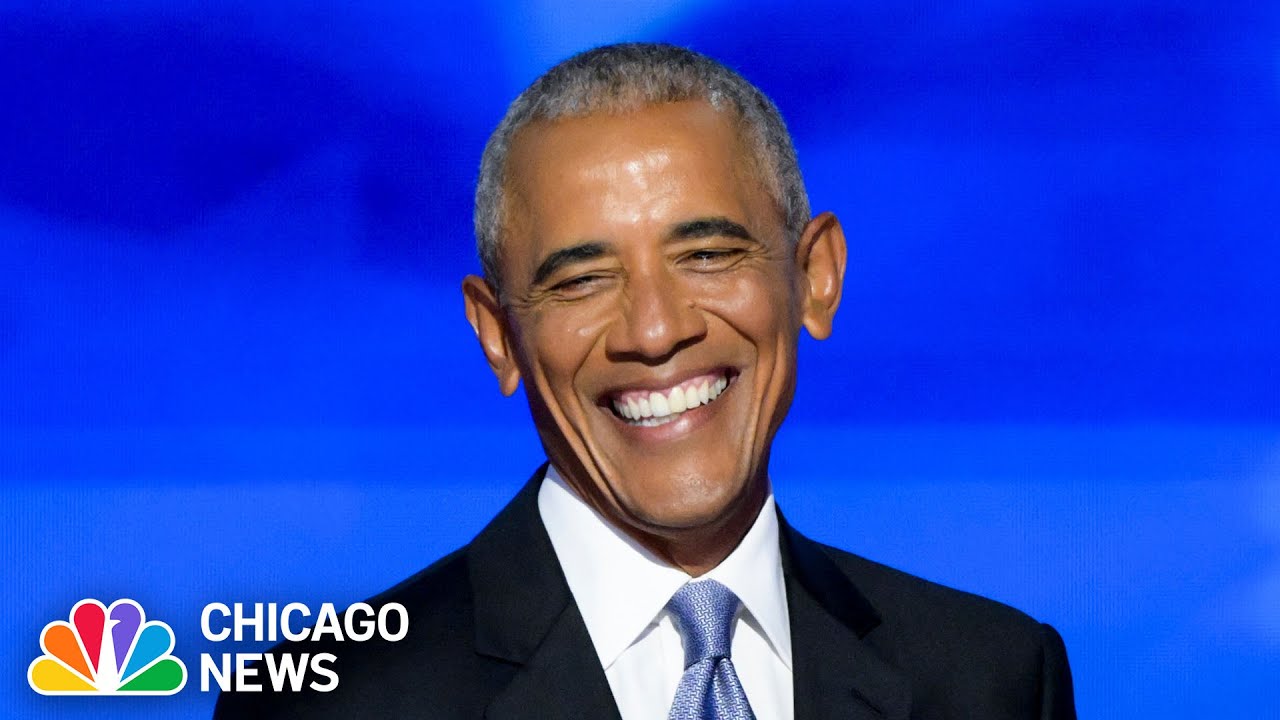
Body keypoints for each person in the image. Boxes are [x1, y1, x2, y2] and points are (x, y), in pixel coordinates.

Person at [215, 42, 1076, 719]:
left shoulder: (993, 677)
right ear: (497, 335)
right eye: (581, 280)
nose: (657, 331)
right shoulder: (325, 703)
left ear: (816, 277)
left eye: (706, 254)